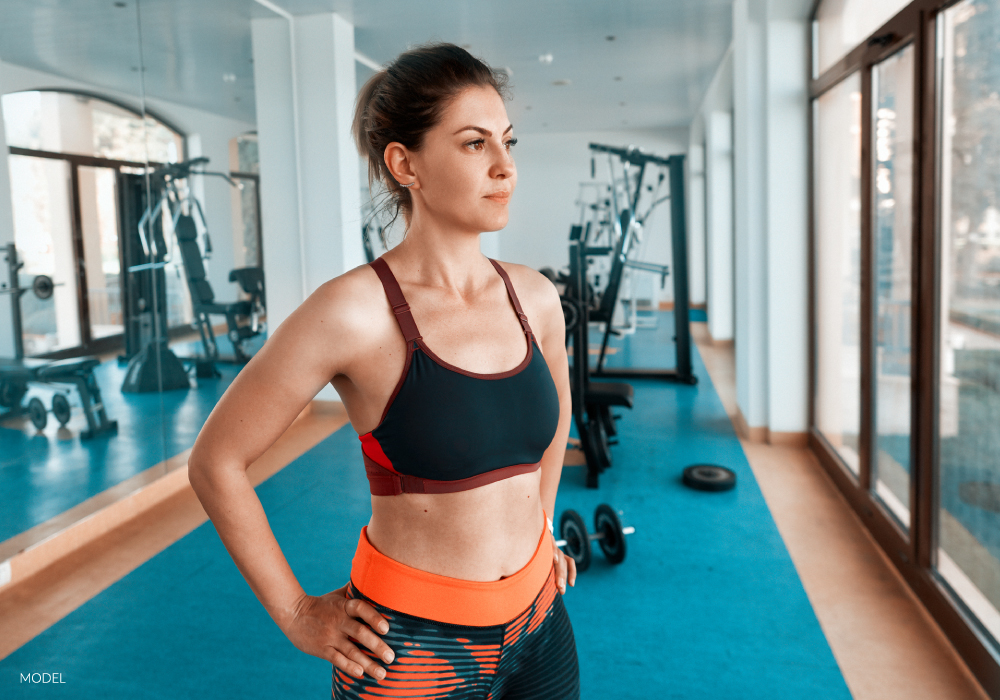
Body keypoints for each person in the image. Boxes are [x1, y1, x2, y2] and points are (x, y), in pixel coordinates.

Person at [187, 43, 579, 699]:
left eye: (508, 142)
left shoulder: (533, 297)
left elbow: (557, 417)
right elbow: (215, 462)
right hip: (410, 649)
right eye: (474, 144)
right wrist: (294, 612)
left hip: (543, 623)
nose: (506, 167)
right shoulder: (353, 312)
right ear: (406, 164)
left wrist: (541, 526)